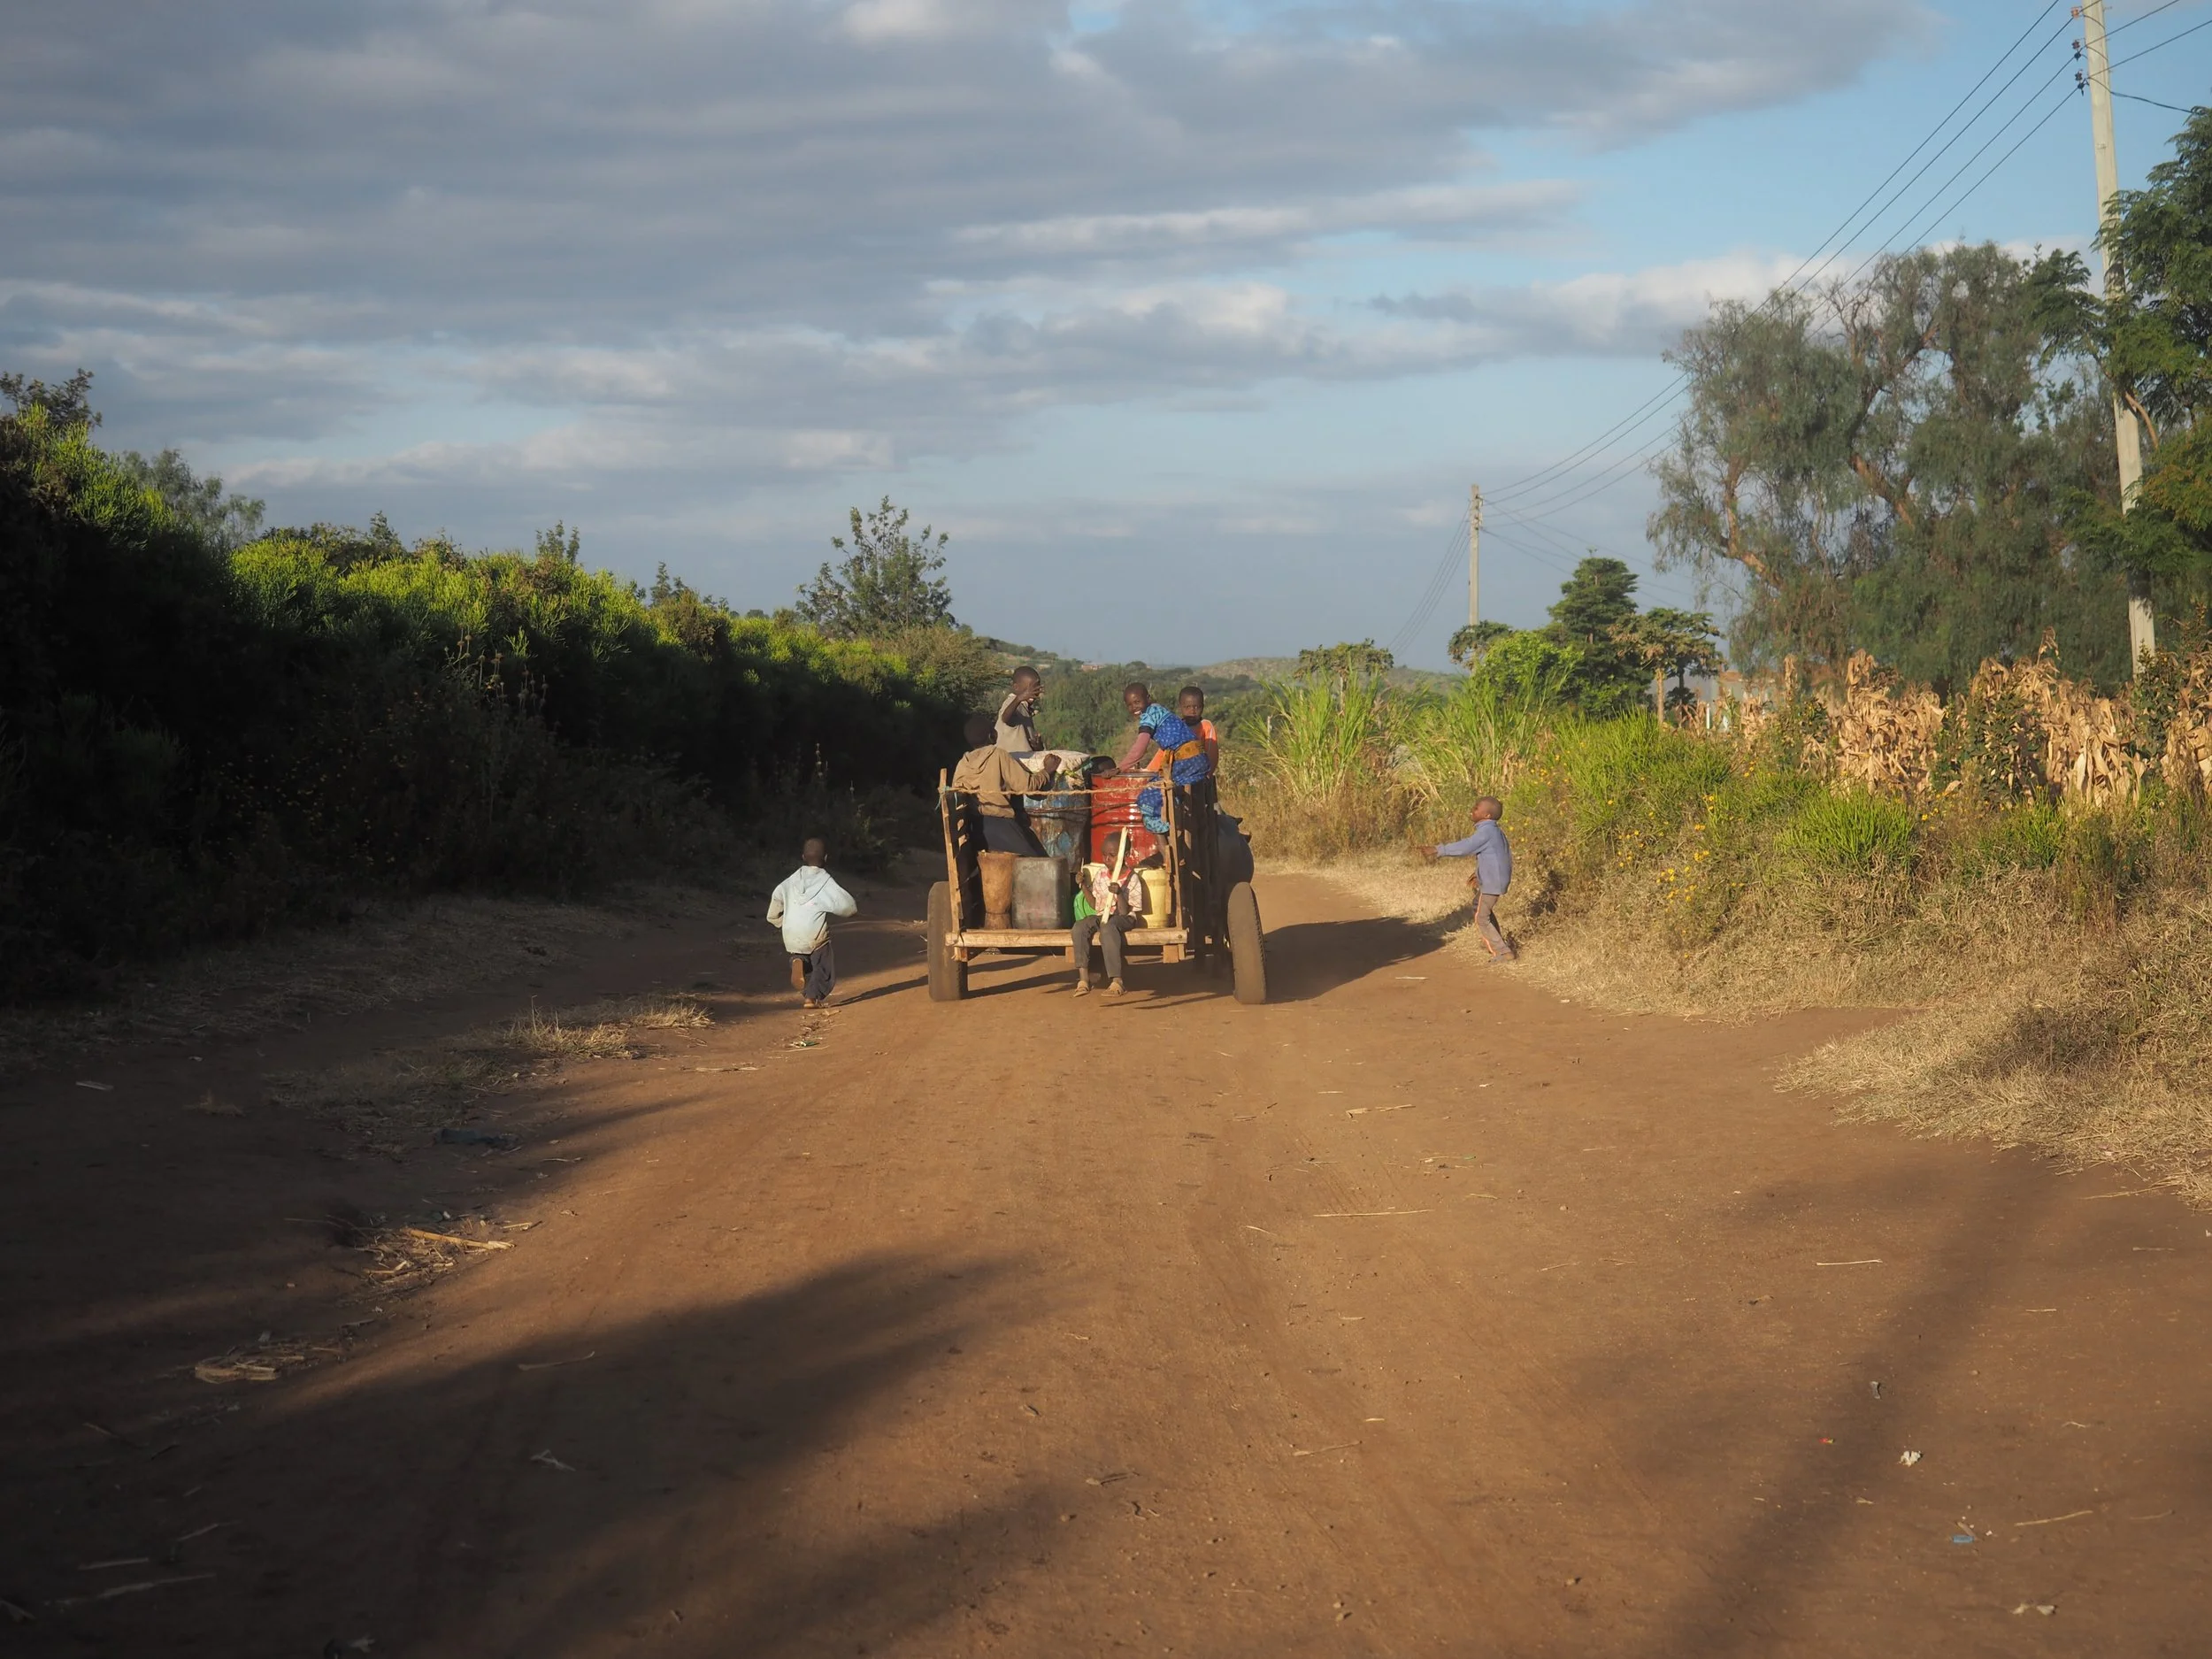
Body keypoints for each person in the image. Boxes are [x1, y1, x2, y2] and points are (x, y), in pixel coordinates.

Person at [1419, 797, 1515, 962]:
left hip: (1493, 882)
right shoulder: (1493, 831)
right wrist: (1479, 874)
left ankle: (1503, 952)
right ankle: (1501, 946)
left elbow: (1466, 847)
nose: (1472, 809)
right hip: (1494, 880)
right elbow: (1494, 857)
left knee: (1481, 917)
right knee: (1479, 907)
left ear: (1487, 815)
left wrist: (1438, 850)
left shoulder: (1487, 832)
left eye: (1476, 808)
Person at [766, 837, 858, 1007]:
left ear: (803, 857)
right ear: (826, 858)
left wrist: (783, 923)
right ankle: (811, 997)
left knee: (802, 955)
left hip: (792, 934)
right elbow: (849, 907)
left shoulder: (788, 882)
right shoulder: (826, 882)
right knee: (823, 967)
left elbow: (772, 912)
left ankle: (797, 961)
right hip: (815, 936)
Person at [953, 711, 1058, 854]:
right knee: (1037, 864)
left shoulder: (962, 763)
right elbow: (1027, 786)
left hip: (974, 828)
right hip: (1000, 825)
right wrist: (1047, 771)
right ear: (992, 736)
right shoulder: (998, 755)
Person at [1070, 859, 1137, 997]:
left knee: (1107, 929)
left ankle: (1117, 982)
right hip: (1104, 916)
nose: (1106, 859)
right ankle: (1083, 980)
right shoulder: (1101, 875)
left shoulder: (1132, 878)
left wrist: (1119, 894)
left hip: (1124, 918)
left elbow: (1124, 912)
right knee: (1079, 927)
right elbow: (1095, 906)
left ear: (1124, 855)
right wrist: (1083, 886)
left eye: (1111, 855)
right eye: (1105, 855)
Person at [995, 665, 1043, 754]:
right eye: (1029, 690)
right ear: (1016, 687)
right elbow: (1005, 718)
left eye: (1037, 690)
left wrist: (1037, 746)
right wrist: (1019, 698)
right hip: (1011, 761)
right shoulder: (1012, 702)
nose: (1034, 694)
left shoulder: (1025, 707)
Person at [1176, 684, 1219, 769]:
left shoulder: (1206, 726)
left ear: (1202, 707)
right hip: (1177, 776)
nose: (1192, 711)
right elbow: (1162, 754)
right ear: (1180, 707)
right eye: (1187, 707)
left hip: (1201, 775)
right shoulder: (1176, 728)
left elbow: (1212, 755)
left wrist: (1207, 775)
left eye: (1196, 707)